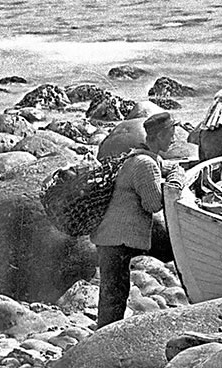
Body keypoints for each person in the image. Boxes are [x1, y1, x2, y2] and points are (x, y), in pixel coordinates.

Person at [90, 112, 184, 328]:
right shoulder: (145, 164)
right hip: (116, 238)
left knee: (114, 289)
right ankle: (104, 336)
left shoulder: (140, 156)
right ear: (159, 136)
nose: (174, 139)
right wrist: (172, 187)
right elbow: (152, 205)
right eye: (171, 134)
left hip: (111, 235)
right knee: (115, 292)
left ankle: (105, 332)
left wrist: (175, 174)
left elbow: (168, 167)